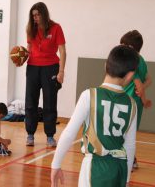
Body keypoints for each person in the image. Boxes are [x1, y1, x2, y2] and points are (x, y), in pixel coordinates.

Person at [51, 45, 139, 187]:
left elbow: (69, 133)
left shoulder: (89, 95)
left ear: (105, 66)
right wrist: (127, 179)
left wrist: (56, 164)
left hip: (94, 167)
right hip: (120, 168)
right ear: (130, 75)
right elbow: (130, 145)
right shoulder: (132, 104)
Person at [25, 2, 66, 147]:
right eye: (33, 15)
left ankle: (50, 136)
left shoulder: (56, 28)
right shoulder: (31, 29)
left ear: (44, 14)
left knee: (50, 102)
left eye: (37, 15)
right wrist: (21, 58)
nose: (35, 18)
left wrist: (61, 71)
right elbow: (29, 49)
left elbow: (62, 51)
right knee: (30, 102)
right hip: (33, 68)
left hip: (51, 68)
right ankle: (30, 134)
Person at [120, 30, 152, 168]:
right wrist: (143, 91)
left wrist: (144, 99)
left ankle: (128, 162)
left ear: (131, 48)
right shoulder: (142, 60)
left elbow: (138, 85)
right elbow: (149, 80)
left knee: (124, 133)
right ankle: (131, 159)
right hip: (136, 103)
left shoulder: (133, 62)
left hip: (128, 101)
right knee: (130, 133)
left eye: (123, 46)